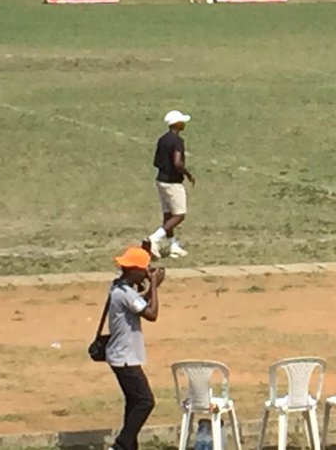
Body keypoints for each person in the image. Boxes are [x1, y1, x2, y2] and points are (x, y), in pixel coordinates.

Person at [106, 246, 165, 450]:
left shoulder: (119, 288)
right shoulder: (126, 293)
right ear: (134, 271)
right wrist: (155, 286)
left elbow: (139, 305)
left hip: (120, 355)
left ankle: (130, 447)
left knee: (133, 404)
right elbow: (152, 314)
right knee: (145, 402)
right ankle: (121, 445)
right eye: (144, 269)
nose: (147, 273)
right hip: (126, 358)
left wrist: (151, 288)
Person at [147, 110, 194, 259]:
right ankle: (154, 238)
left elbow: (156, 161)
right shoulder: (177, 141)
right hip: (173, 182)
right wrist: (187, 174)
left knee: (168, 215)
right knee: (179, 215)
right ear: (177, 124)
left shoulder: (162, 140)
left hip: (161, 180)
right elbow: (177, 162)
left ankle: (173, 245)